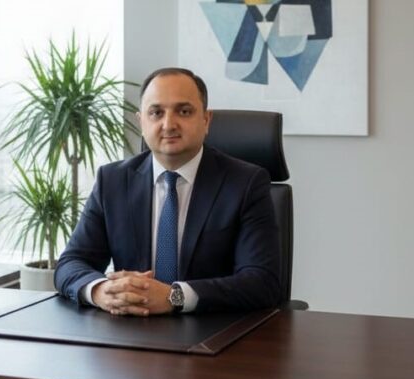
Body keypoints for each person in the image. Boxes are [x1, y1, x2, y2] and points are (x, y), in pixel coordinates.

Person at [54, 67, 280, 315]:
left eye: (184, 111)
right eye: (156, 113)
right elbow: (70, 263)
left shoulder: (246, 183)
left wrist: (174, 296)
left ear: (206, 120)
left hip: (213, 329)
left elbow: (262, 282)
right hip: (131, 329)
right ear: (141, 122)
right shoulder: (112, 181)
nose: (169, 124)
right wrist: (100, 291)